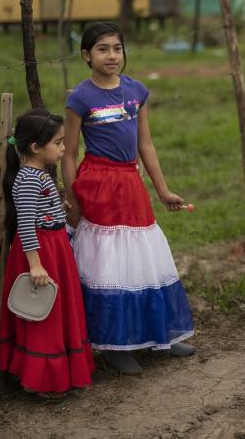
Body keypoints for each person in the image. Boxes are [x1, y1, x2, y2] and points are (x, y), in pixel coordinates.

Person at [63, 22, 195, 376]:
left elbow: (145, 144)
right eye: (102, 49)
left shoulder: (137, 91)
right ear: (86, 55)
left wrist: (163, 189)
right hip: (98, 185)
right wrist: (73, 200)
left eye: (117, 48)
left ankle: (160, 336)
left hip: (131, 184)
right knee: (108, 263)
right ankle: (112, 345)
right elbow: (70, 152)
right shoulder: (80, 98)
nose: (111, 55)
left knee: (145, 259)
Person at [0, 108, 95, 398]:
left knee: (56, 310)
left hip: (54, 247)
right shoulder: (28, 179)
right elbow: (26, 224)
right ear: (35, 147)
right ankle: (41, 379)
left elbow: (39, 212)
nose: (64, 148)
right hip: (40, 253)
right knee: (43, 314)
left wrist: (56, 209)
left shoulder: (39, 174)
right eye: (58, 143)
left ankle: (55, 374)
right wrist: (35, 266)